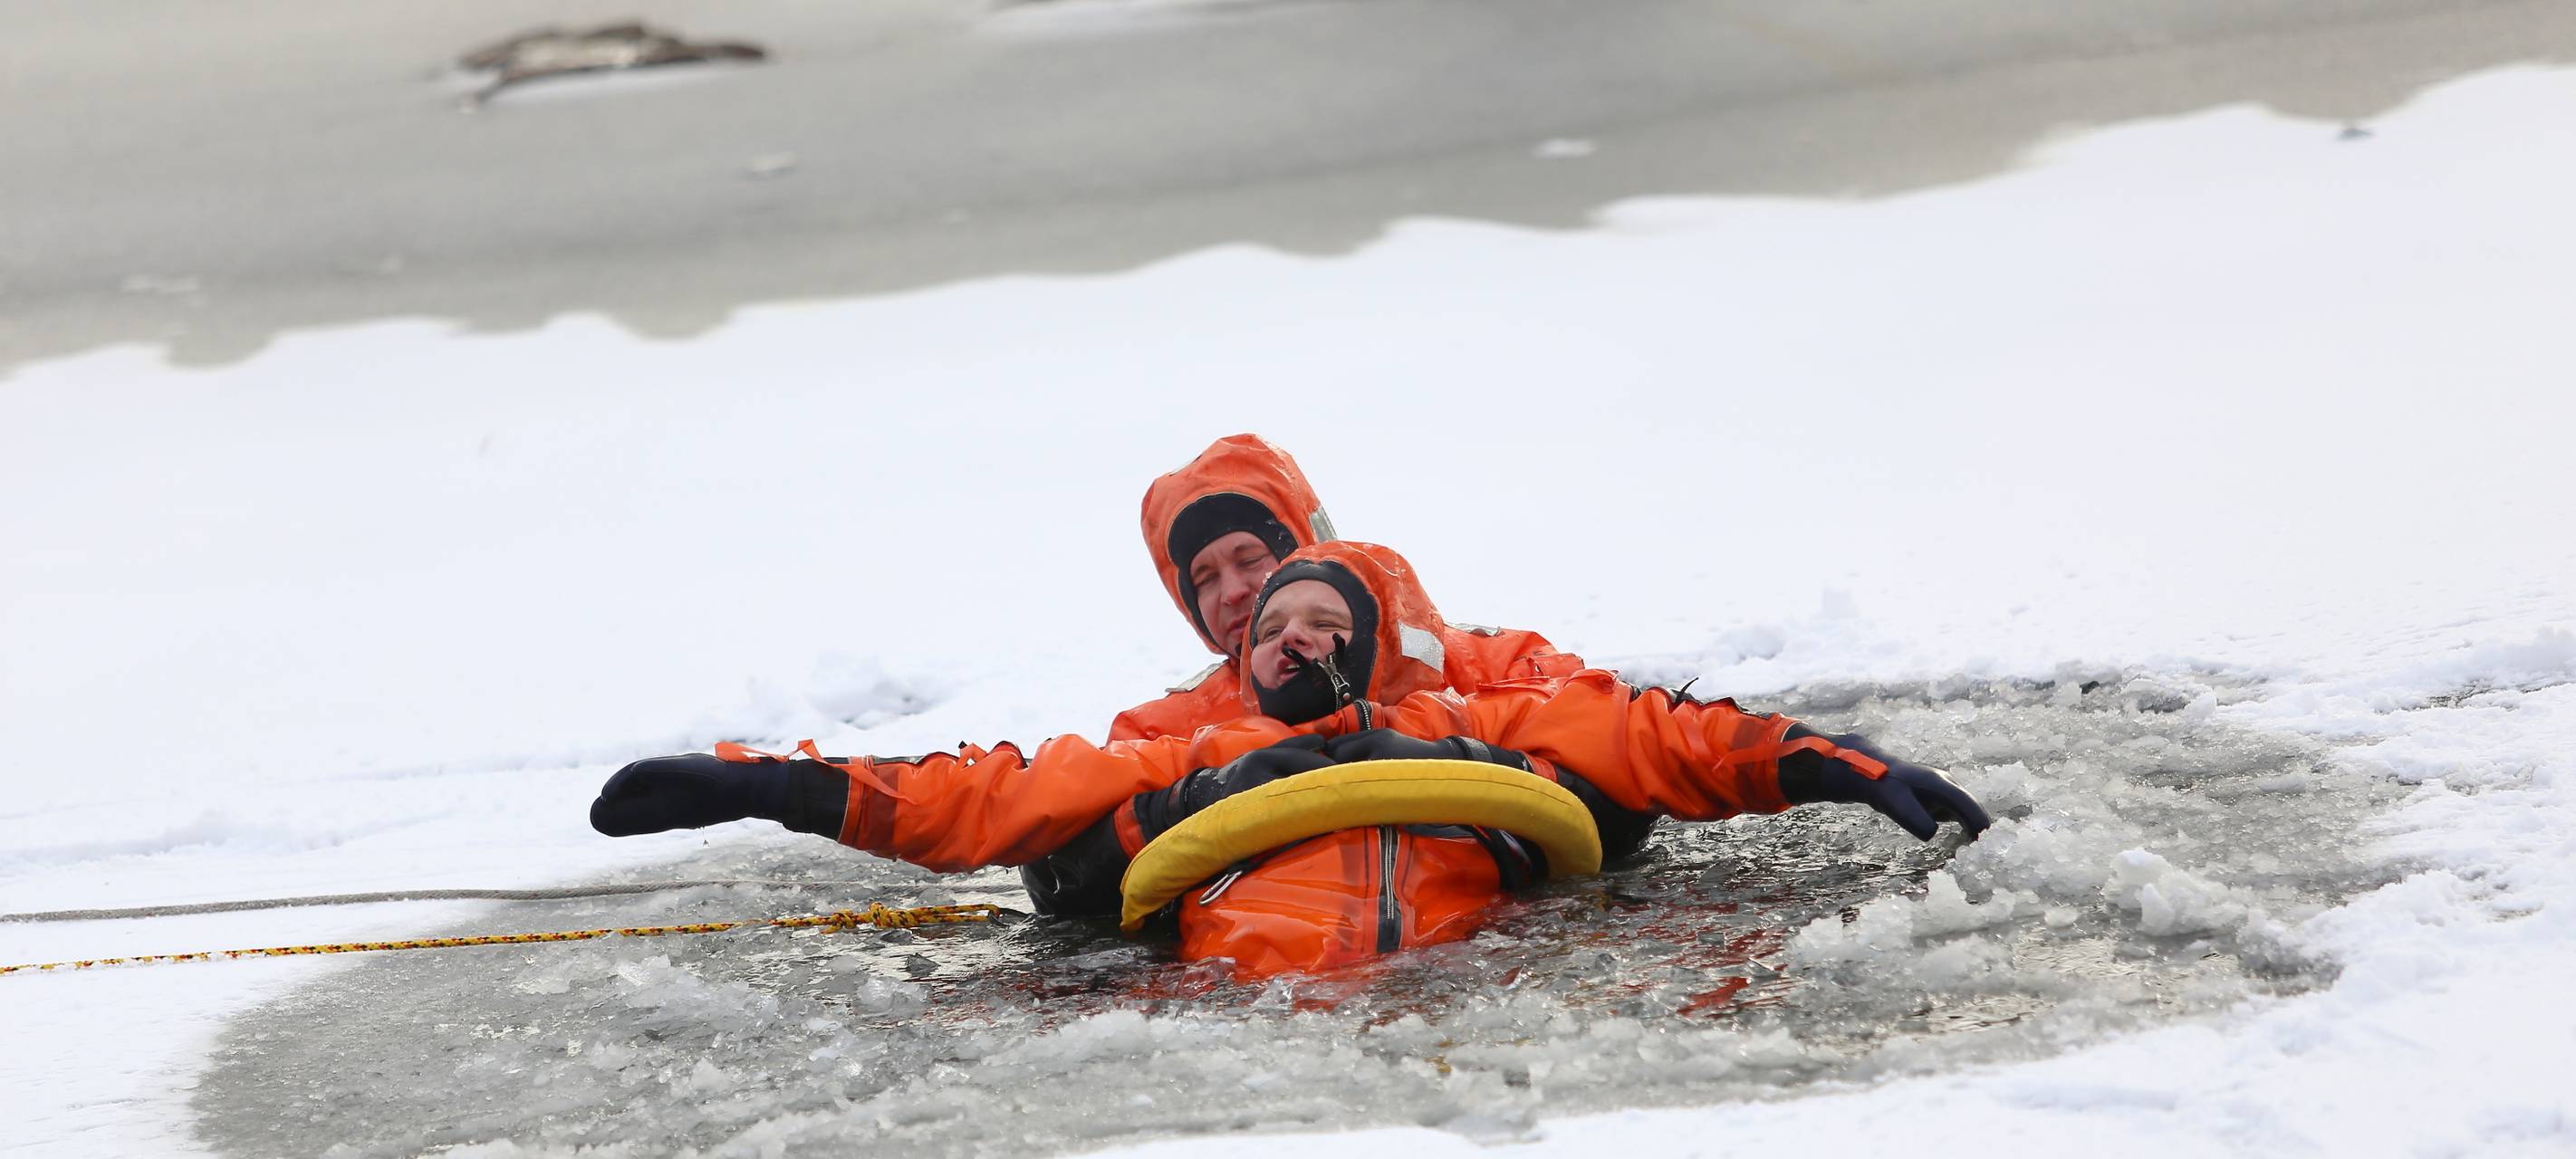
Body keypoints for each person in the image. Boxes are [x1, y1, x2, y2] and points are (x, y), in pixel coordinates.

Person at [591, 542, 1989, 976]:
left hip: (1468, 987)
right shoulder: (1180, 751)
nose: (1295, 635)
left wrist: (1839, 766)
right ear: (1242, 655)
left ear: (1373, 651)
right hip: (1242, 1015)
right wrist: (770, 784)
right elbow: (987, 795)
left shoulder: (1473, 726)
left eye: (1329, 622)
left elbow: (1660, 739)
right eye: (1274, 623)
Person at [1111, 435, 1581, 742]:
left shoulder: (1493, 666)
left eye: (1250, 559)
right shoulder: (1160, 734)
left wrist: (1447, 742)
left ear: (1309, 547)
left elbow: (1594, 724)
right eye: (1205, 579)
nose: (1232, 591)